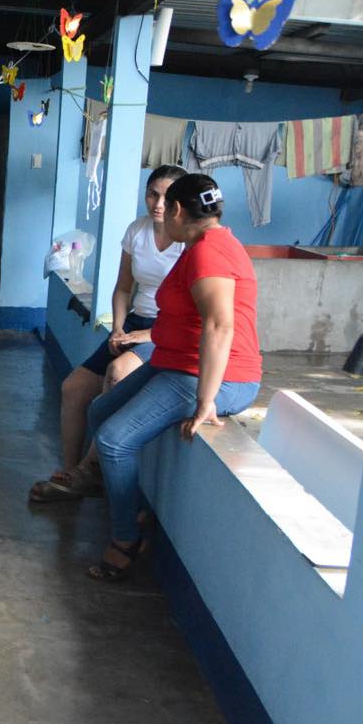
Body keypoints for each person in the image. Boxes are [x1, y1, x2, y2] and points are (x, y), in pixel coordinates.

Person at [82, 174, 261, 582]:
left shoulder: (210, 252)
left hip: (214, 375)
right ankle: (132, 507)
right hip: (174, 363)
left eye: (168, 207)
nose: (161, 214)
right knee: (100, 411)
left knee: (113, 440)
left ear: (178, 210)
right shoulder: (201, 245)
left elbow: (220, 326)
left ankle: (126, 540)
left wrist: (206, 401)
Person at [30, 165, 188, 502]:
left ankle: (90, 470)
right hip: (134, 323)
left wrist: (146, 337)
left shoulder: (187, 242)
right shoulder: (137, 231)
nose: (158, 204)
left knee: (117, 374)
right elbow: (123, 288)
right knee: (73, 387)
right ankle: (69, 472)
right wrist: (118, 327)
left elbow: (191, 313)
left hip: (167, 329)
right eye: (152, 194)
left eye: (167, 197)